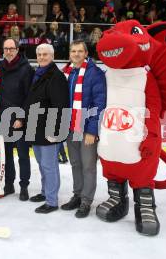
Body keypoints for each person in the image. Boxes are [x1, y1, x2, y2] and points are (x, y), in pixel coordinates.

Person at [60, 40, 106, 218]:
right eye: (73, 51)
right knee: (75, 164)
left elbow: (99, 103)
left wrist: (92, 131)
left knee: (88, 166)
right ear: (70, 54)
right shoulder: (68, 73)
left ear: (86, 53)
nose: (76, 54)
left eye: (80, 51)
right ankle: (77, 195)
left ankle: (86, 201)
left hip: (86, 128)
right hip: (72, 127)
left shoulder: (95, 74)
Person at [24, 43, 69, 214]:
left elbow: (61, 106)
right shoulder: (38, 73)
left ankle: (51, 201)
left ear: (52, 56)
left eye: (45, 54)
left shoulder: (56, 77)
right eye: (39, 54)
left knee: (49, 166)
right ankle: (45, 193)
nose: (42, 57)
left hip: (48, 130)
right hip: (35, 127)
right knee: (42, 165)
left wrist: (56, 131)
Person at [0, 38, 33, 201]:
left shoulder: (26, 69)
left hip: (20, 120)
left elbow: (29, 96)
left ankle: (24, 186)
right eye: (6, 49)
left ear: (18, 50)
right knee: (7, 155)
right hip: (4, 118)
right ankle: (8, 184)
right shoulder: (0, 67)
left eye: (12, 48)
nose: (9, 51)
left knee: (23, 155)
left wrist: (22, 118)